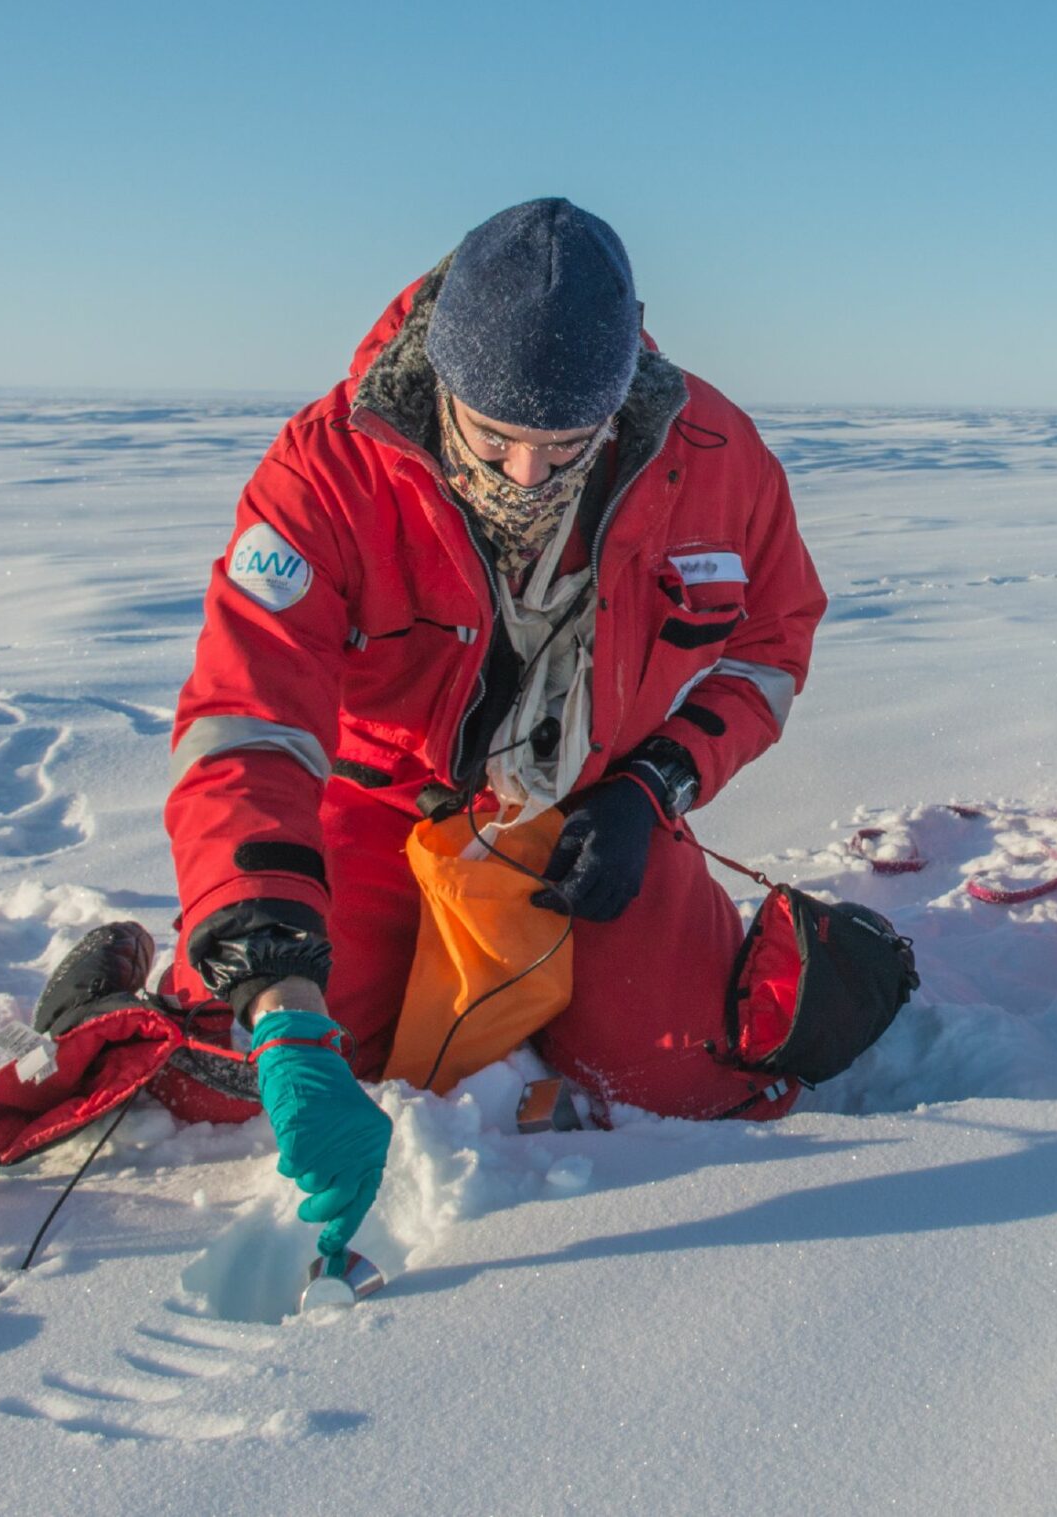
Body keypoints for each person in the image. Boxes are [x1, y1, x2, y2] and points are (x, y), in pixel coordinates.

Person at [146, 199, 826, 1254]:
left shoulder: (715, 455)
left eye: (566, 443)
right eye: (495, 435)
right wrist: (277, 991)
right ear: (443, 380)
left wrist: (658, 785)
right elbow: (248, 720)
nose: (527, 474)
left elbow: (768, 649)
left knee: (680, 1074)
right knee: (236, 1077)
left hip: (595, 807)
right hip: (377, 804)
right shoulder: (327, 469)